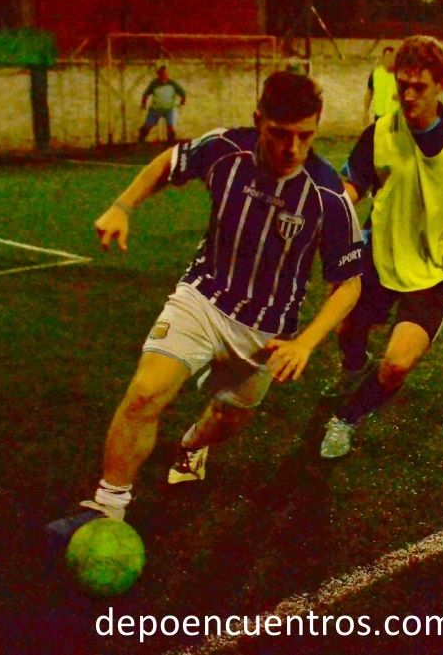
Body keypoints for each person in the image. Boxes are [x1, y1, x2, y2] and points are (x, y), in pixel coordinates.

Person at [48, 72, 363, 539]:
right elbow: (168, 162)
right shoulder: (224, 149)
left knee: (228, 418)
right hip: (203, 298)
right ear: (258, 120)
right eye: (280, 133)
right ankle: (106, 505)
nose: (292, 148)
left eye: (305, 136)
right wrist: (122, 206)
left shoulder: (328, 195)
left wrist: (306, 344)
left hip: (266, 333)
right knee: (146, 391)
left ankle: (193, 444)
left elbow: (349, 285)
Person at [319, 35, 443, 459]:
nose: (407, 96)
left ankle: (346, 418)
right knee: (347, 331)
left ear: (442, 84)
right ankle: (353, 368)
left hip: (436, 267)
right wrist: (331, 208)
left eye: (419, 87)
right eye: (402, 85)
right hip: (379, 254)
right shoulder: (379, 133)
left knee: (396, 364)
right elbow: (354, 184)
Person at [138, 65, 186, 144]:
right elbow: (146, 94)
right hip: (156, 109)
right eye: (161, 74)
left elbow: (182, 93)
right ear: (158, 75)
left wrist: (182, 102)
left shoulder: (172, 84)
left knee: (170, 126)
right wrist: (143, 103)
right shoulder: (154, 84)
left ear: (167, 74)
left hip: (169, 108)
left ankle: (171, 142)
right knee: (148, 125)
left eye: (165, 74)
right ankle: (140, 140)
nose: (163, 76)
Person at [363, 46, 399, 128]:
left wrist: (402, 97)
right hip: (379, 116)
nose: (390, 60)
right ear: (383, 58)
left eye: (393, 57)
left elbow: (410, 94)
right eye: (388, 56)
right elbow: (369, 93)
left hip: (395, 117)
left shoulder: (400, 74)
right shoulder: (375, 73)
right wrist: (365, 111)